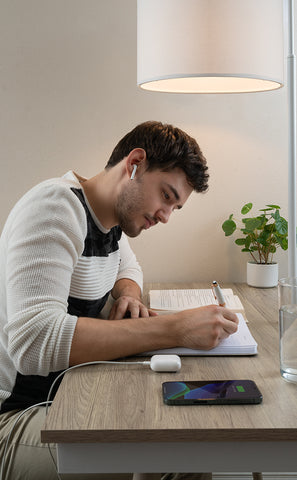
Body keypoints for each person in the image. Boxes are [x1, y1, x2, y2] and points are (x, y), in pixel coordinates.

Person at [0, 121, 238, 480]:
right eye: (167, 196)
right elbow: (34, 340)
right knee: (178, 453)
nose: (165, 216)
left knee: (189, 441)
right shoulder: (56, 207)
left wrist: (128, 294)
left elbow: (130, 267)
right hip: (19, 416)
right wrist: (174, 328)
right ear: (135, 164)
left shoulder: (109, 222)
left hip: (68, 395)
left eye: (175, 207)